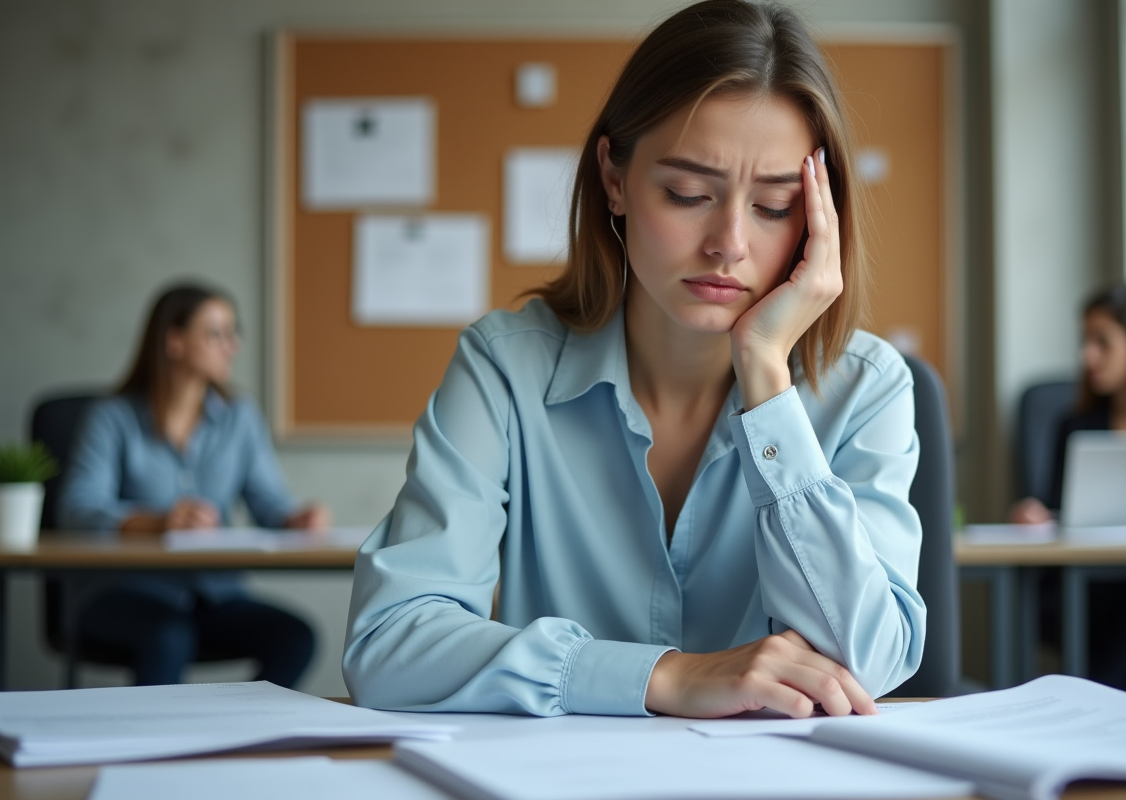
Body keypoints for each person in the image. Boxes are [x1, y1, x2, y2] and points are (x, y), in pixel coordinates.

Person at [344, 0, 924, 719]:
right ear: (614, 179)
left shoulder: (868, 387)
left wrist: (768, 377)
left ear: (818, 216)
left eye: (775, 205)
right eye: (687, 193)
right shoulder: (503, 368)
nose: (729, 244)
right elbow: (389, 641)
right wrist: (667, 677)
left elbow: (867, 663)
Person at [58, 283, 322, 687]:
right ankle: (151, 746)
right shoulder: (111, 417)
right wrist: (158, 522)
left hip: (213, 594)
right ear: (174, 340)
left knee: (295, 638)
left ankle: (239, 734)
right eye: (215, 333)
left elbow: (268, 504)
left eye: (233, 333)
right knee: (170, 636)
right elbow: (78, 508)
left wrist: (296, 517)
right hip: (123, 592)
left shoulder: (240, 417)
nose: (231, 345)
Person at [1009, 283, 1126, 691]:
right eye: (1085, 342)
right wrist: (1037, 514)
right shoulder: (1076, 425)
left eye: (1102, 343)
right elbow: (1058, 509)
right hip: (1092, 591)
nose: (1087, 356)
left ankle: (1095, 696)